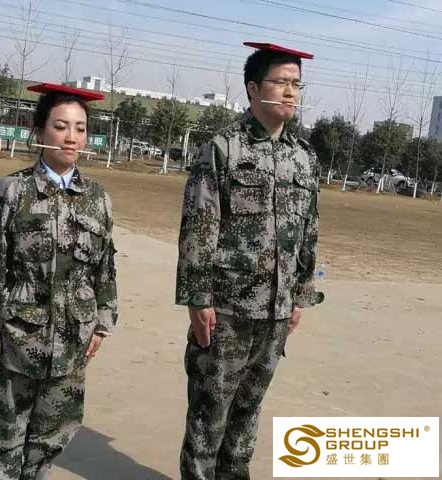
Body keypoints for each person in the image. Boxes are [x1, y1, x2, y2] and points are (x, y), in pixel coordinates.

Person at [176, 42, 324, 480]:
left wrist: (300, 295)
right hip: (227, 310)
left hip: (276, 311)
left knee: (248, 414)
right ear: (254, 88)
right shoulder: (224, 148)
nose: (291, 92)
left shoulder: (304, 156)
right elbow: (199, 226)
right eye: (281, 82)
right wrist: (198, 298)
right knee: (209, 415)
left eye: (297, 84)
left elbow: (309, 232)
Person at [0, 83, 117, 480]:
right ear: (39, 131)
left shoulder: (97, 198)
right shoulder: (13, 191)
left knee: (56, 429)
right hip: (18, 333)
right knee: (6, 429)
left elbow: (105, 268)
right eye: (60, 126)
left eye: (80, 128)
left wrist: (103, 321)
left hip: (73, 336)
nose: (71, 137)